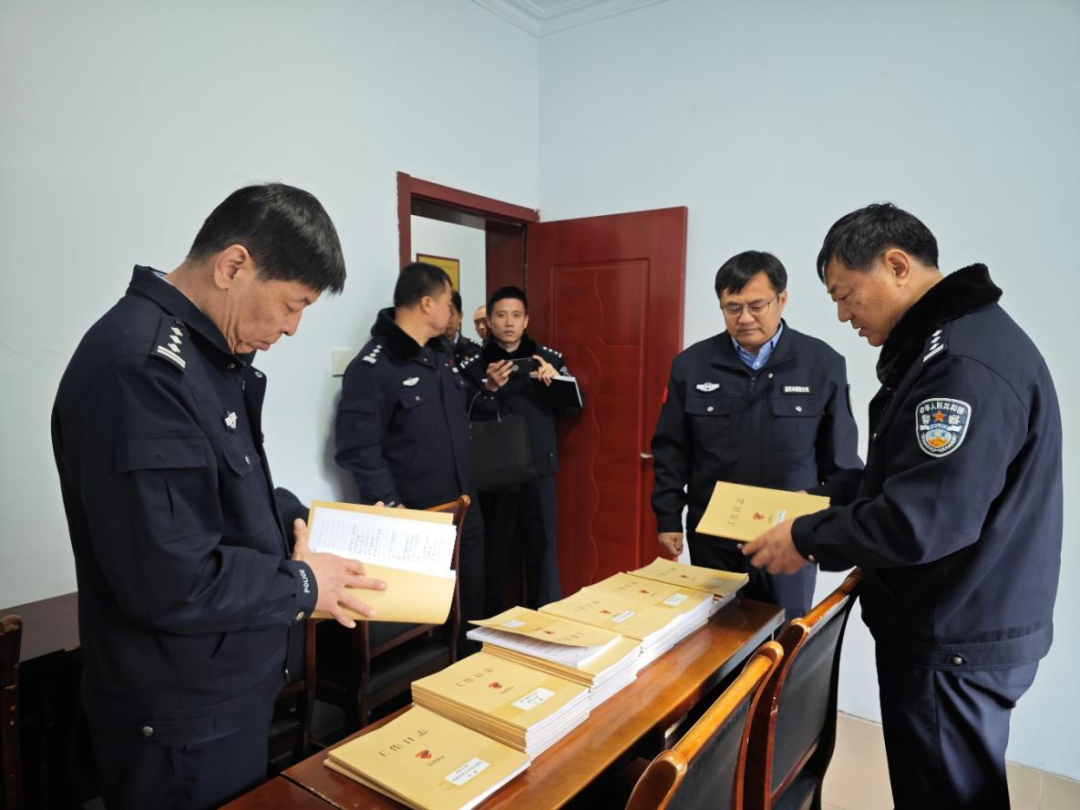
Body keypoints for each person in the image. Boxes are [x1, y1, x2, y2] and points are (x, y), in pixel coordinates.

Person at [51, 184, 386, 810]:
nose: (292, 328)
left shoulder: (204, 356)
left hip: (221, 691)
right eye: (292, 304)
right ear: (233, 266)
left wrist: (303, 520)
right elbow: (170, 578)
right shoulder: (142, 370)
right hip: (179, 715)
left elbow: (223, 492)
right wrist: (303, 584)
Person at [744, 203, 1062, 808]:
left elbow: (922, 521)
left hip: (954, 631)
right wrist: (825, 506)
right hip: (964, 619)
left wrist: (806, 538)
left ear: (895, 266)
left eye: (845, 295)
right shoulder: (954, 344)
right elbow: (912, 482)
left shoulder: (960, 364)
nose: (842, 315)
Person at [650, 250, 863, 619]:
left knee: (784, 637)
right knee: (714, 639)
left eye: (756, 305)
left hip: (787, 541)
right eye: (732, 308)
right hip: (713, 541)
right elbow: (671, 448)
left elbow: (841, 462)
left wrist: (827, 532)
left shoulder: (822, 363)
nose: (744, 318)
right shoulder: (692, 365)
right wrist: (668, 516)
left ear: (782, 299)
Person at [335, 262, 484, 621]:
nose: (451, 312)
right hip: (417, 518)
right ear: (427, 304)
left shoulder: (439, 356)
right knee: (427, 620)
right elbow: (358, 447)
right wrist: (390, 504)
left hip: (464, 508)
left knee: (470, 607)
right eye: (448, 303)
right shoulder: (373, 367)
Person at [462, 286, 583, 613]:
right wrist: (489, 389)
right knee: (494, 557)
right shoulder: (473, 364)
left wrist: (555, 382)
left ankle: (546, 622)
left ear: (526, 319)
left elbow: (573, 409)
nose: (509, 323)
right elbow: (462, 416)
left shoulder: (548, 358)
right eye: (501, 315)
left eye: (516, 315)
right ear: (489, 321)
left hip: (539, 470)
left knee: (543, 552)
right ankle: (489, 625)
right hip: (494, 475)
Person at [445, 289, 481, 364]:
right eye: (443, 313)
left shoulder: (476, 350)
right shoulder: (427, 349)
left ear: (460, 316)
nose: (447, 319)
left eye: (451, 313)